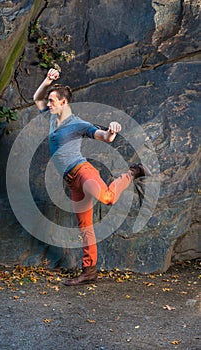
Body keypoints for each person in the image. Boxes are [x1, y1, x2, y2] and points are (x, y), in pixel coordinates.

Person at [33, 68, 151, 286]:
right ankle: (89, 272)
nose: (48, 104)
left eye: (52, 101)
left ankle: (132, 172)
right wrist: (48, 80)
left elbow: (104, 137)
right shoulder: (52, 118)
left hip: (83, 172)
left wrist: (112, 131)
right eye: (49, 101)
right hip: (72, 182)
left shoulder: (78, 124)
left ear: (63, 102)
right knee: (85, 227)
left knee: (107, 198)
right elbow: (36, 98)